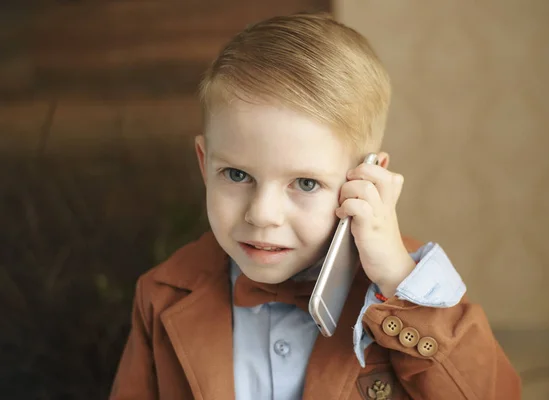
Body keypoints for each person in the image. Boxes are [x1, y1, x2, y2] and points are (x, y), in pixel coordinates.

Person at [110, 12, 521, 400]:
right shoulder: (161, 294)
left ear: (366, 179)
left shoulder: (407, 287)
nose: (262, 214)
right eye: (237, 175)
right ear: (205, 163)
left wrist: (398, 282)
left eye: (305, 183)